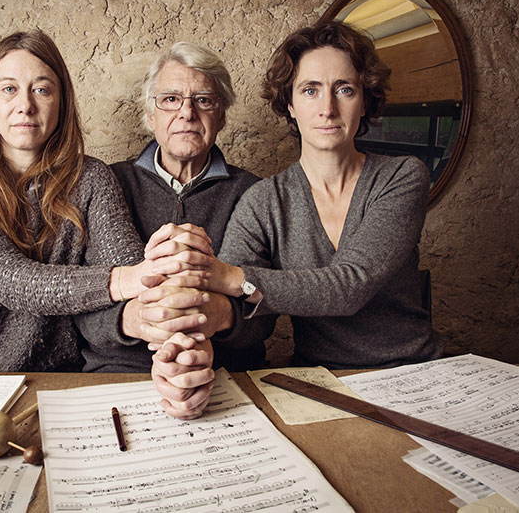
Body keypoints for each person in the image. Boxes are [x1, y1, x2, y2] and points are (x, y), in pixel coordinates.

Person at [146, 20, 443, 369]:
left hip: (417, 370)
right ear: (289, 103)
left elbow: (351, 286)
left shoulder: (401, 177)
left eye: (344, 89)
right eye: (310, 90)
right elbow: (231, 305)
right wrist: (189, 331)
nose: (327, 108)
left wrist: (231, 277)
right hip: (322, 380)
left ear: (364, 101)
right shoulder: (263, 201)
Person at [0, 30, 184, 372]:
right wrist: (125, 279)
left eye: (42, 89)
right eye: (9, 89)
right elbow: (10, 281)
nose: (25, 105)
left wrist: (165, 318)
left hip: (60, 377)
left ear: (61, 102)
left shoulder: (92, 177)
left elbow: (127, 267)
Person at [76, 43, 259, 418]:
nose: (187, 113)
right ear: (149, 114)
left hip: (229, 378)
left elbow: (266, 307)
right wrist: (134, 321)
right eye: (171, 99)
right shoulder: (107, 184)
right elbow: (77, 302)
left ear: (221, 115)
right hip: (118, 376)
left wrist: (217, 317)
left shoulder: (255, 192)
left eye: (204, 100)